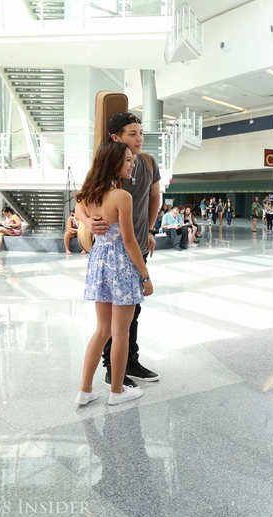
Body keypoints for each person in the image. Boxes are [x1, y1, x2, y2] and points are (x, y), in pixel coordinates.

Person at [77, 112, 161, 386]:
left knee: (130, 313)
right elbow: (82, 201)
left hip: (137, 245)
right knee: (113, 322)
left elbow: (155, 197)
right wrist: (88, 220)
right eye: (132, 134)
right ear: (116, 139)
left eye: (140, 133)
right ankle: (113, 371)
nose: (139, 139)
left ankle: (129, 363)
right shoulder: (111, 168)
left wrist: (149, 230)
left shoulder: (147, 163)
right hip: (118, 249)